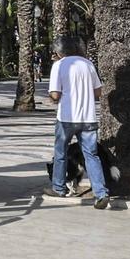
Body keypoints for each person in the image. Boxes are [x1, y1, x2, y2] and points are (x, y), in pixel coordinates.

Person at [48, 36, 110, 208]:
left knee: (60, 153)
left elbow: (55, 94)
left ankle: (59, 188)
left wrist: (53, 98)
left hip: (66, 118)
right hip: (88, 118)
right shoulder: (88, 64)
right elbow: (98, 92)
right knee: (91, 155)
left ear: (59, 52)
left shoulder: (58, 65)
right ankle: (101, 193)